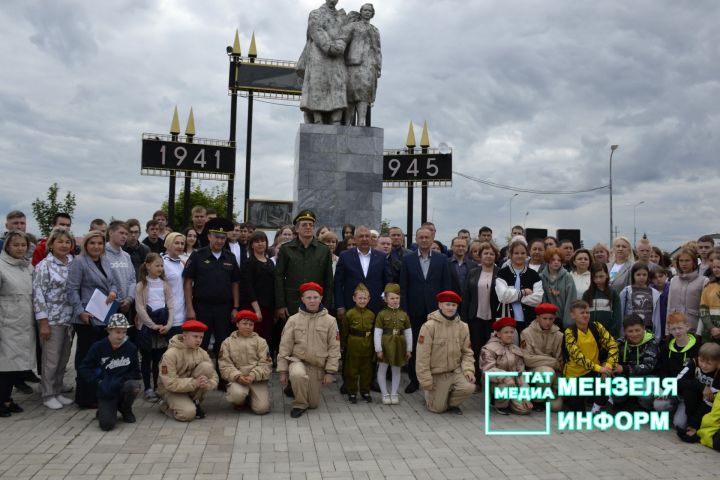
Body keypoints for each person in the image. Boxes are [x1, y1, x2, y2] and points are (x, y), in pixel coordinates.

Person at [66, 230, 119, 408]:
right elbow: (72, 289)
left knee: (101, 357)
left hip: (103, 315)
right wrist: (80, 311)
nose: (96, 246)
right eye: (92, 243)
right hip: (86, 318)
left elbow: (113, 282)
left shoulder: (105, 260)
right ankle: (84, 397)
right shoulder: (79, 262)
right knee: (85, 358)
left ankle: (97, 392)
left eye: (100, 243)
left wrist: (113, 291)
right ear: (86, 245)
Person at [183, 217, 241, 372]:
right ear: (209, 237)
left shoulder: (230, 257)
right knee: (200, 343)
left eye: (223, 238)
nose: (220, 241)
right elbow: (188, 281)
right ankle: (196, 377)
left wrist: (235, 307)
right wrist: (190, 308)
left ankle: (223, 379)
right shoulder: (198, 255)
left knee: (223, 345)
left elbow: (235, 283)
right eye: (217, 237)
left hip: (224, 307)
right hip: (202, 307)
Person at [399, 226, 452, 393]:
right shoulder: (407, 260)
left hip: (435, 311)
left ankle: (435, 380)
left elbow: (446, 286)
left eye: (426, 237)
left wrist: (445, 309)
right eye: (420, 237)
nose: (423, 240)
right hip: (414, 311)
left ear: (432, 239)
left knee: (436, 346)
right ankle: (414, 380)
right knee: (415, 346)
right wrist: (404, 310)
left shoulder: (442, 259)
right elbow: (404, 287)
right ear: (416, 239)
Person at [277, 282, 341, 418]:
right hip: (297, 361)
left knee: (313, 404)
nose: (312, 300)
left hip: (316, 366)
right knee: (297, 375)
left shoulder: (330, 321)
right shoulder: (293, 320)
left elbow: (334, 348)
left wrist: (330, 372)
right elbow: (284, 346)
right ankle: (299, 403)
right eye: (309, 297)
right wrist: (283, 371)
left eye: (315, 297)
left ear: (321, 298)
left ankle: (297, 388)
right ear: (302, 299)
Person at [32, 227, 75, 409]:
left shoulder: (73, 262)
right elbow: (38, 294)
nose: (64, 245)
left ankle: (57, 389)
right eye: (60, 242)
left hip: (70, 320)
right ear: (51, 244)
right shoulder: (44, 266)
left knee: (64, 358)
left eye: (67, 242)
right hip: (52, 320)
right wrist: (43, 322)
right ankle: (48, 393)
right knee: (51, 359)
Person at [77, 314, 141, 431]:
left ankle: (125, 408)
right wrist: (98, 382)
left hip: (122, 385)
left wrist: (121, 379)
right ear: (109, 331)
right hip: (105, 389)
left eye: (124, 332)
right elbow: (84, 368)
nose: (121, 336)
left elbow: (136, 372)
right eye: (117, 332)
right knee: (107, 425)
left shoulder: (131, 348)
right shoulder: (98, 347)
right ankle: (104, 409)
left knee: (134, 386)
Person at [416, 291, 475, 414]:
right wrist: (426, 381)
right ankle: (431, 395)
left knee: (469, 387)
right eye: (447, 304)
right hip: (438, 374)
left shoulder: (463, 327)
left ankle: (451, 403)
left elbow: (467, 352)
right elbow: (422, 356)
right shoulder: (429, 326)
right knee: (437, 409)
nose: (451, 308)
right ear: (440, 305)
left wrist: (469, 370)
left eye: (454, 305)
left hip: (456, 371)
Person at [274, 209, 334, 320]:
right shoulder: (286, 249)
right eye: (304, 225)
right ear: (296, 229)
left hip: (316, 303)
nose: (308, 227)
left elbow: (329, 280)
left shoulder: (323, 250)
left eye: (311, 225)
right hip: (292, 303)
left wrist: (326, 305)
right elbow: (279, 278)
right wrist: (281, 304)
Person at [0, 231, 34, 417]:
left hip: (23, 322)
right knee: (4, 365)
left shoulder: (27, 267)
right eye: (16, 245)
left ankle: (7, 398)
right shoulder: (1, 267)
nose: (20, 248)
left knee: (16, 365)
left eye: (23, 245)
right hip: (6, 322)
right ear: (7, 247)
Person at [297, 0, 349, 125]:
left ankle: (336, 118)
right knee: (318, 85)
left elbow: (345, 33)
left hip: (337, 56)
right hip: (319, 55)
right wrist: (329, 46)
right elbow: (316, 30)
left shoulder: (342, 16)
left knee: (338, 85)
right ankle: (318, 118)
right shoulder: (316, 13)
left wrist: (340, 44)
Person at [562, 300, 618, 412]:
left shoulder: (597, 326)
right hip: (574, 376)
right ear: (573, 315)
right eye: (582, 313)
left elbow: (613, 345)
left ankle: (599, 404)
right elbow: (578, 358)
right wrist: (600, 368)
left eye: (587, 312)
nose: (586, 315)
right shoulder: (569, 332)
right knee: (578, 412)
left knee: (608, 379)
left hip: (593, 372)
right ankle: (587, 400)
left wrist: (608, 365)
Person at [157, 319, 219, 421]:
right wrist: (194, 383)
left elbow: (214, 376)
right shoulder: (170, 354)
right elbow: (170, 383)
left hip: (190, 388)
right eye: (195, 336)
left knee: (207, 367)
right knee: (187, 414)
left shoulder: (202, 352)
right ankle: (165, 405)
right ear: (184, 336)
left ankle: (194, 402)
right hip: (171, 390)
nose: (198, 340)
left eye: (201, 337)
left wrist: (207, 384)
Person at [134, 253, 173, 401]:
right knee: (146, 358)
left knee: (159, 359)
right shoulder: (141, 286)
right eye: (157, 265)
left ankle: (157, 386)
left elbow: (170, 305)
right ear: (148, 266)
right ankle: (148, 387)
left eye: (162, 265)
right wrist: (152, 325)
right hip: (147, 326)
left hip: (161, 326)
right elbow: (140, 308)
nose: (160, 268)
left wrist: (168, 324)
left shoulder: (165, 285)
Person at [218, 310, 272, 415]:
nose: (248, 326)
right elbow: (224, 365)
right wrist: (237, 376)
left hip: (256, 380)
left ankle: (251, 397)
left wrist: (253, 376)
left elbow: (266, 364)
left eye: (251, 324)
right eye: (244, 323)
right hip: (238, 379)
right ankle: (241, 400)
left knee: (262, 409)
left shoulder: (261, 342)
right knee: (236, 396)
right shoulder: (227, 342)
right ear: (237, 324)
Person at [462, 241, 499, 389]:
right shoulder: (473, 272)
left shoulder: (500, 272)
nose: (488, 256)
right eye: (485, 253)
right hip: (475, 317)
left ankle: (490, 381)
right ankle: (476, 380)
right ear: (480, 256)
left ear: (495, 256)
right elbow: (466, 297)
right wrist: (464, 319)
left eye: (491, 254)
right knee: (476, 348)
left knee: (491, 350)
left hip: (493, 318)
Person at [335, 225, 390, 319]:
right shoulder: (345, 256)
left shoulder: (381, 257)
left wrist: (385, 301)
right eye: (361, 236)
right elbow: (338, 283)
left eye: (367, 236)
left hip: (376, 306)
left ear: (371, 239)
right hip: (351, 305)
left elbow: (387, 282)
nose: (364, 239)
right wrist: (340, 305)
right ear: (355, 239)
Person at [655, 312, 701, 421]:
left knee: (679, 424)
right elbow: (662, 370)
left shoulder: (697, 348)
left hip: (687, 394)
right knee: (658, 405)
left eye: (680, 328)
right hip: (671, 390)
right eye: (673, 329)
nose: (677, 332)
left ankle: (680, 413)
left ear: (687, 326)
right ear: (669, 330)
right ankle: (672, 411)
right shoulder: (666, 348)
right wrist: (663, 388)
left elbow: (696, 377)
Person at [481, 317, 532, 415]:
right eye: (506, 332)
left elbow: (521, 373)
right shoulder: (488, 349)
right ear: (499, 334)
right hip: (496, 383)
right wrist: (505, 377)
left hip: (513, 384)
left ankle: (510, 400)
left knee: (525, 409)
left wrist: (526, 397)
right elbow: (487, 370)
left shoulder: (516, 349)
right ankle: (500, 404)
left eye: (512, 332)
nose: (509, 335)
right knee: (504, 388)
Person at [342, 3, 381, 126]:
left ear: (372, 13)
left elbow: (378, 50)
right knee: (351, 94)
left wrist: (378, 67)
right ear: (361, 11)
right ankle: (348, 121)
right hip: (353, 64)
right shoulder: (352, 26)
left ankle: (361, 121)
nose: (367, 12)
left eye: (369, 10)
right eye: (365, 10)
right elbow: (342, 42)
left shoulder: (375, 30)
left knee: (364, 94)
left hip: (369, 66)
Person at [520, 303, 564, 411]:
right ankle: (538, 400)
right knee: (547, 372)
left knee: (556, 407)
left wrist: (556, 387)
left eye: (551, 319)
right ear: (538, 318)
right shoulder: (527, 333)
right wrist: (552, 362)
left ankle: (549, 392)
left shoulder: (559, 335)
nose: (548, 322)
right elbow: (527, 359)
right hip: (533, 371)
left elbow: (561, 363)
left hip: (553, 376)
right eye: (544, 318)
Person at [611, 314, 659, 410]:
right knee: (609, 383)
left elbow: (648, 367)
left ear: (644, 328)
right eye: (630, 331)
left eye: (637, 330)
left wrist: (623, 368)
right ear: (625, 332)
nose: (634, 334)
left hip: (646, 378)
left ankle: (645, 407)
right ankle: (623, 403)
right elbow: (611, 359)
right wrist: (609, 366)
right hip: (625, 377)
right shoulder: (619, 343)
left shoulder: (652, 343)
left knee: (646, 393)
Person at [495, 239, 543, 334]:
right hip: (507, 321)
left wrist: (514, 297)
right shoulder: (502, 273)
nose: (519, 256)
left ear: (527, 254)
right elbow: (502, 296)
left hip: (529, 321)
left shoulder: (534, 275)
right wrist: (523, 293)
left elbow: (538, 299)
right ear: (511, 254)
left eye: (522, 253)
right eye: (516, 253)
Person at [374, 283, 411, 405]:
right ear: (386, 299)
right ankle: (385, 393)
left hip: (399, 345)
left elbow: (408, 333)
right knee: (382, 368)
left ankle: (394, 393)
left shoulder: (404, 314)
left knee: (396, 369)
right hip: (385, 344)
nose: (395, 300)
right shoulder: (381, 314)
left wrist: (409, 349)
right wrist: (378, 349)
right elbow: (378, 333)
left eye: (397, 298)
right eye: (392, 298)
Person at [676, 343, 720, 442]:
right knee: (689, 391)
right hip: (693, 400)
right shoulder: (694, 363)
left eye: (708, 363)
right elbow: (677, 381)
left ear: (718, 362)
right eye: (701, 360)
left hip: (710, 406)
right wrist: (702, 386)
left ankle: (696, 429)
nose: (703, 365)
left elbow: (710, 401)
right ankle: (691, 424)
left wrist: (694, 425)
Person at [239, 231, 276, 346]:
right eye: (257, 241)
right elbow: (248, 287)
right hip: (253, 308)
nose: (260, 244)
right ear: (252, 245)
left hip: (269, 307)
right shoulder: (248, 263)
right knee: (252, 338)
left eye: (263, 241)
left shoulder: (270, 262)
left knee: (266, 338)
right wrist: (257, 311)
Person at [341, 283, 375, 403]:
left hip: (367, 345)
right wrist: (345, 344)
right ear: (354, 298)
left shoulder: (371, 315)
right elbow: (345, 330)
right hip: (353, 345)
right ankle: (352, 392)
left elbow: (373, 331)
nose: (362, 300)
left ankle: (365, 391)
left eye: (365, 298)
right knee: (352, 370)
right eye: (360, 298)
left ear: (369, 299)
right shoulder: (349, 314)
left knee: (367, 371)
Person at [668, 247, 708, 334]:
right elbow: (669, 307)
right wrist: (667, 331)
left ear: (694, 262)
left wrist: (699, 333)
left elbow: (704, 309)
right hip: (674, 329)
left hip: (693, 329)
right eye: (681, 261)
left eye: (687, 260)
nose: (684, 264)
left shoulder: (703, 281)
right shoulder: (673, 280)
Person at [619, 262, 662, 338]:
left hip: (648, 330)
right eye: (638, 274)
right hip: (631, 330)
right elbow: (621, 313)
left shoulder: (654, 293)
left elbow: (657, 315)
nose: (641, 277)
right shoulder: (626, 291)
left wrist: (657, 336)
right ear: (633, 275)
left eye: (644, 275)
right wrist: (622, 334)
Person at [583, 263, 622, 338]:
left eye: (601, 276)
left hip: (610, 335)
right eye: (595, 277)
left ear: (607, 275)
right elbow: (583, 315)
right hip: (591, 335)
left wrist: (610, 334)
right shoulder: (587, 294)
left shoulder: (613, 293)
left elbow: (617, 317)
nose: (598, 280)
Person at [540, 246, 577, 327]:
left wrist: (568, 322)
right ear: (548, 260)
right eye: (553, 260)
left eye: (559, 260)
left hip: (565, 319)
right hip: (548, 320)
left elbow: (571, 300)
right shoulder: (541, 277)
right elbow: (542, 300)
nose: (556, 262)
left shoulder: (567, 277)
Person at [105, 221, 135, 317]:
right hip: (107, 304)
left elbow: (132, 279)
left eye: (126, 234)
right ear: (110, 233)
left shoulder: (126, 256)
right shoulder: (101, 254)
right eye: (121, 233)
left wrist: (129, 299)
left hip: (125, 305)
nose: (124, 236)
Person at [162, 232, 187, 336]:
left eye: (182, 243)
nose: (180, 246)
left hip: (183, 312)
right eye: (176, 243)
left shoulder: (182, 263)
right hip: (169, 314)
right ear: (168, 244)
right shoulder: (162, 262)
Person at [699, 254, 720, 344]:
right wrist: (711, 328)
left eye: (719, 267)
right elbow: (703, 309)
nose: (715, 269)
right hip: (710, 332)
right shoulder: (708, 286)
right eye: (714, 267)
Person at [651, 266, 671, 338]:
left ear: (666, 276)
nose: (658, 279)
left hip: (668, 319)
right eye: (655, 278)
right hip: (654, 321)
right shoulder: (650, 291)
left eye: (661, 276)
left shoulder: (671, 288)